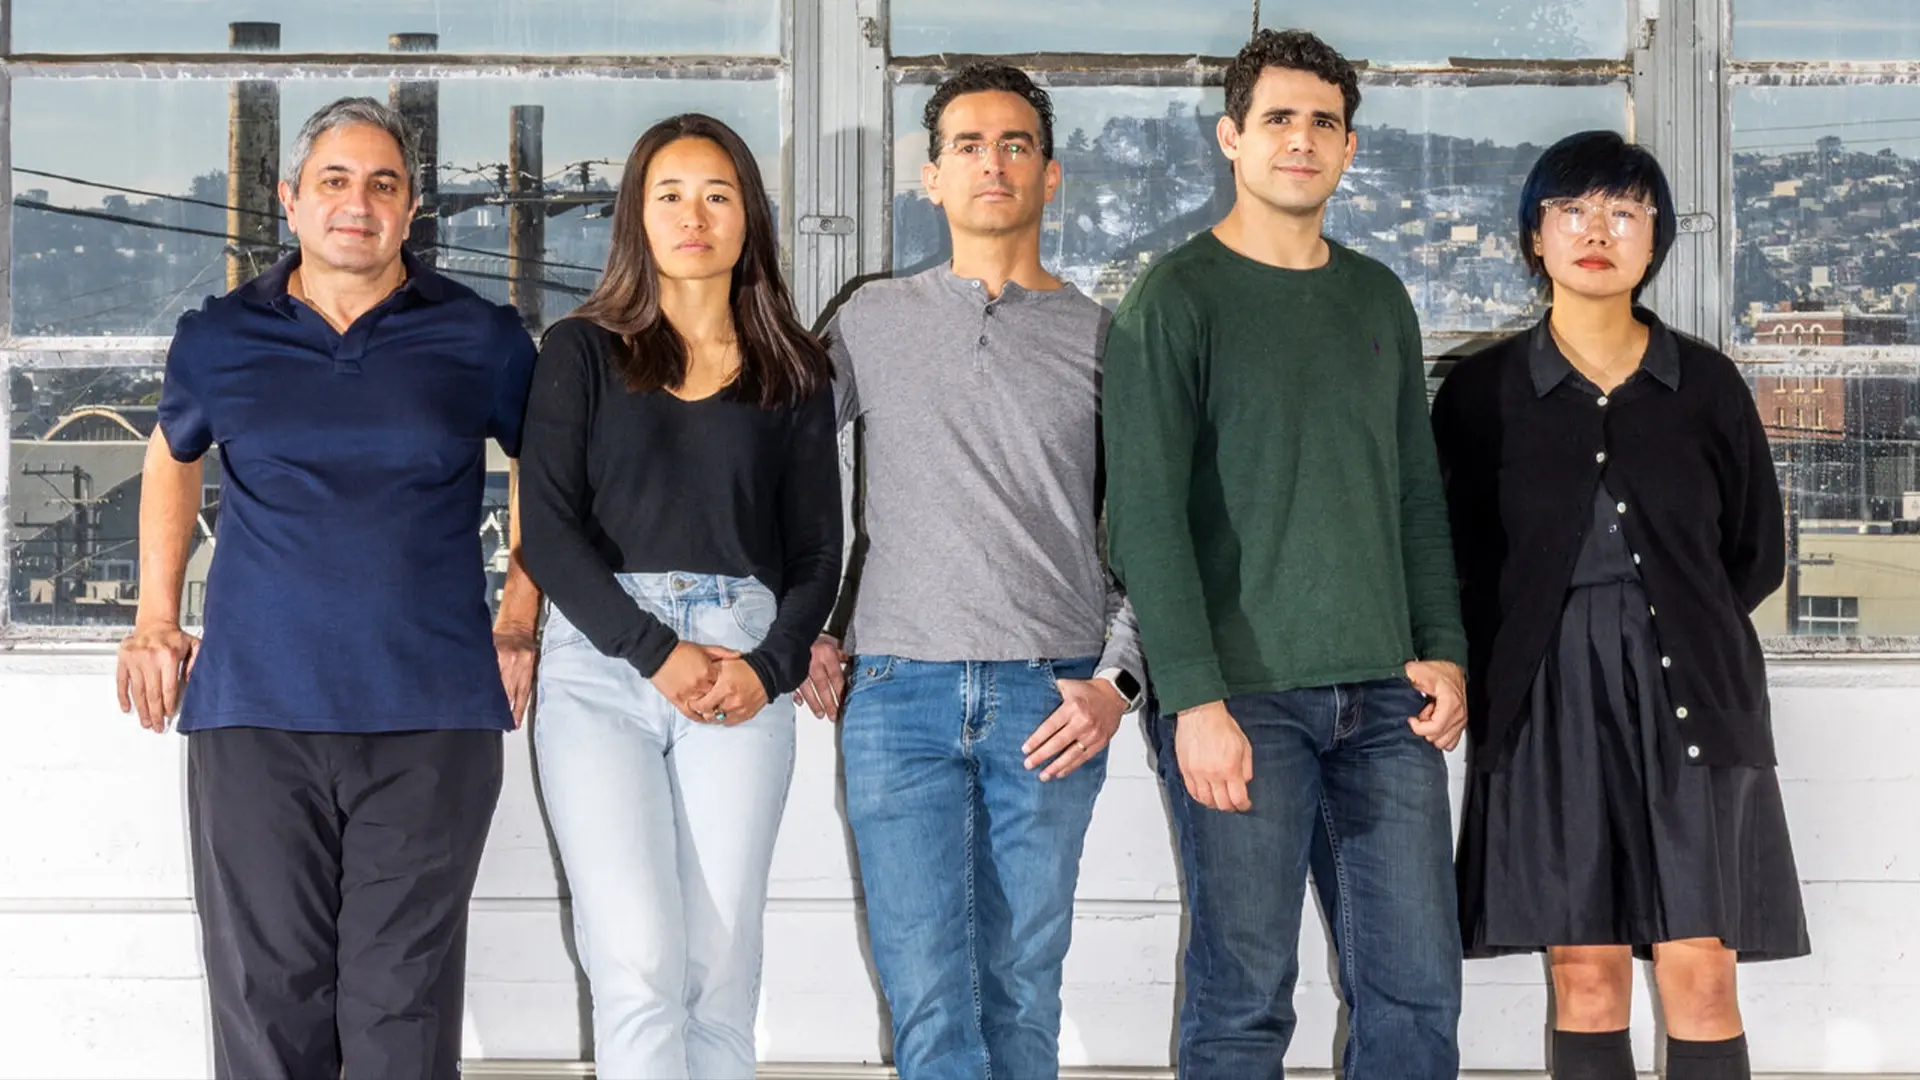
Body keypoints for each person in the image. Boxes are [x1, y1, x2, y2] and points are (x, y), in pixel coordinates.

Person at [112, 97, 540, 1080]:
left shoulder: (482, 337)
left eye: (384, 185)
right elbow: (172, 452)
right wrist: (153, 618)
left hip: (431, 717)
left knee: (401, 1021)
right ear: (291, 200)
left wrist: (519, 619)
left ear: (412, 208)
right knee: (269, 1016)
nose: (359, 203)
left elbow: (549, 476)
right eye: (336, 181)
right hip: (255, 716)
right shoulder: (219, 336)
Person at [1103, 29, 1467, 1079]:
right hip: (1241, 703)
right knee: (1244, 1000)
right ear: (1232, 137)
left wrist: (1445, 651)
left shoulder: (1378, 297)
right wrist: (1194, 700)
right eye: (1277, 119)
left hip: (1388, 701)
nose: (1300, 139)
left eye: (1322, 122)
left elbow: (1414, 495)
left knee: (1416, 994)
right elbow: (1145, 522)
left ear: (1350, 146)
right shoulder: (1175, 299)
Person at [1432, 130, 1809, 1080]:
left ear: (1656, 240)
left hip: (1697, 694)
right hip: (1545, 696)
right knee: (1585, 974)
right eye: (1572, 210)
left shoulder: (1706, 383)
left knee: (1702, 971)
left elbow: (1755, 552)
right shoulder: (1480, 393)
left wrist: (1664, 619)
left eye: (1624, 212)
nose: (1596, 231)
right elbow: (1449, 556)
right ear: (1535, 236)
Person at [798, 63, 1145, 1080]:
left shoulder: (1106, 338)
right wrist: (807, 623)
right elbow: (775, 468)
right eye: (968, 146)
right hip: (896, 695)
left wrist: (1121, 682)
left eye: (1015, 145)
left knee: (1022, 992)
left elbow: (1159, 530)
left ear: (1051, 175)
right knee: (928, 999)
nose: (992, 163)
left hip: (1054, 697)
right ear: (933, 175)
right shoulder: (868, 320)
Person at [515, 113, 841, 1080]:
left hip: (743, 666)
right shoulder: (578, 350)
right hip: (602, 665)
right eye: (670, 196)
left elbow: (818, 552)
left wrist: (771, 668)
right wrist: (656, 651)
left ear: (749, 218)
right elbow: (549, 534)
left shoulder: (795, 369)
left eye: (716, 195)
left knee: (720, 967)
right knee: (639, 961)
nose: (693, 216)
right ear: (637, 216)